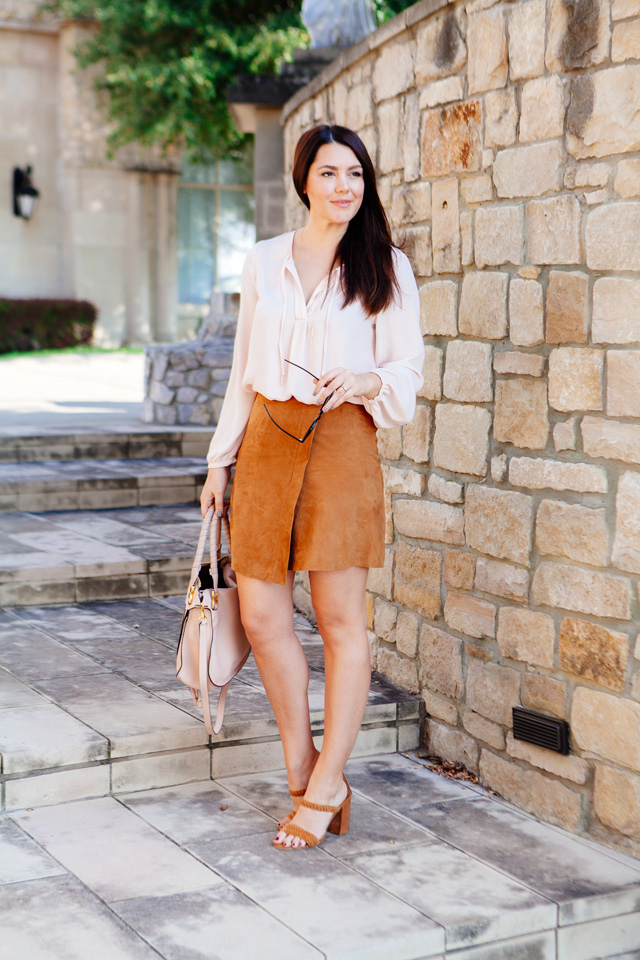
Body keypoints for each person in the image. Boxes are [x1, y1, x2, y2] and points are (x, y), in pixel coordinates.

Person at [199, 123, 424, 850]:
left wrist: (364, 379)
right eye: (330, 173)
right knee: (263, 615)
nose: (344, 187)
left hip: (342, 443)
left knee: (339, 623)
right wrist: (217, 461)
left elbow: (407, 374)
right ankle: (307, 766)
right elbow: (241, 372)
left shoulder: (386, 266)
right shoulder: (264, 262)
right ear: (304, 180)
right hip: (264, 441)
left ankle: (326, 786)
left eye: (355, 174)